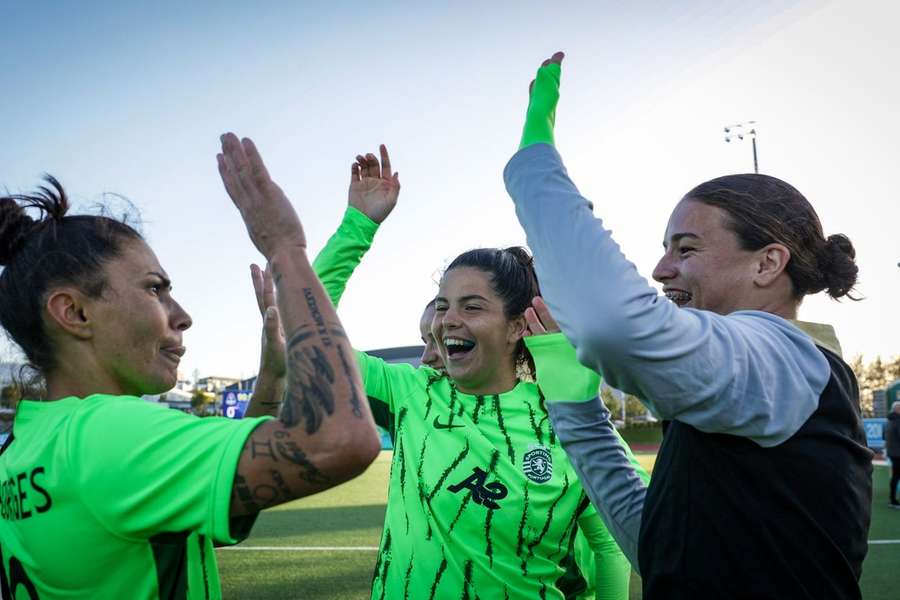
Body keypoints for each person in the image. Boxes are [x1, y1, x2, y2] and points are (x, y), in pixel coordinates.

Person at [503, 52, 873, 599]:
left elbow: (613, 323)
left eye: (687, 248)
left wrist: (535, 156)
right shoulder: (751, 384)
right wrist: (577, 412)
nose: (660, 270)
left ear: (767, 263)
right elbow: (659, 548)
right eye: (664, 249)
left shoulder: (784, 359)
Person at [0, 134, 380, 599]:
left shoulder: (24, 447)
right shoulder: (104, 434)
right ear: (75, 313)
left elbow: (231, 518)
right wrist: (285, 250)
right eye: (155, 289)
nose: (182, 315)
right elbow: (340, 440)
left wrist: (273, 379)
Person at [308, 146, 649, 599]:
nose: (448, 320)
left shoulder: (566, 423)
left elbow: (611, 546)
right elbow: (310, 337)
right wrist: (358, 225)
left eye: (472, 307)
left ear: (515, 326)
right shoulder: (412, 393)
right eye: (444, 306)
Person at [887, 401, 900, 507]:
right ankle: (893, 500)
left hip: (892, 452)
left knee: (895, 476)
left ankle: (892, 499)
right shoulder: (897, 421)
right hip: (897, 453)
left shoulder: (889, 421)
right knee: (896, 476)